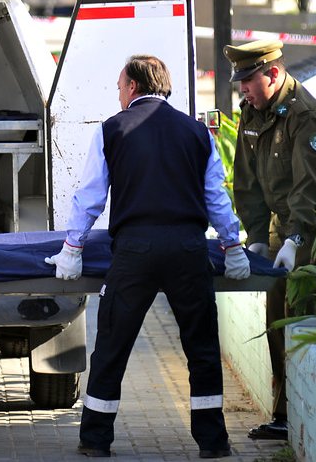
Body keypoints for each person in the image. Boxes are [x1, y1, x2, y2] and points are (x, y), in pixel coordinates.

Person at [45, 55, 251, 459]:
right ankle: (213, 442)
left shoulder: (112, 130)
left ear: (134, 87)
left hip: (135, 250)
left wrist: (72, 247)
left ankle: (96, 440)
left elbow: (89, 197)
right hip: (188, 249)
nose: (118, 94)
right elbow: (215, 197)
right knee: (202, 347)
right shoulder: (196, 132)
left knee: (113, 344)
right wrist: (233, 245)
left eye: (120, 86)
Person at [223, 40, 316, 440]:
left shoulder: (306, 117)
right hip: (286, 228)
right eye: (240, 82)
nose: (242, 89)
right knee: (277, 321)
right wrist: (258, 238)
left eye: (248, 80)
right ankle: (283, 415)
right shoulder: (254, 112)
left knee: (306, 318)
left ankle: (297, 416)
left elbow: (310, 190)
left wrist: (295, 241)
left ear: (273, 74)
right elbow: (247, 184)